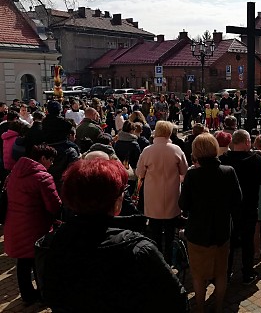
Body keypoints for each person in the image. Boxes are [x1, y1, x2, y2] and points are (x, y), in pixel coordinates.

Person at [35, 159, 188, 312]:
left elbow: (51, 294)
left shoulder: (51, 242)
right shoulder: (137, 249)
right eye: (122, 191)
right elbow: (176, 300)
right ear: (114, 200)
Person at [179, 133, 242, 313]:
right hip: (221, 230)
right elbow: (237, 200)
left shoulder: (192, 175)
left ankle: (199, 307)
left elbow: (183, 204)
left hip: (197, 231)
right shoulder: (228, 171)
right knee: (221, 272)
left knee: (198, 274)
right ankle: (219, 307)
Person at [4, 144, 61, 305]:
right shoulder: (42, 177)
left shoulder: (15, 172)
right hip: (36, 225)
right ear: (43, 158)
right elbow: (53, 205)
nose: (52, 164)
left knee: (23, 262)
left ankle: (27, 296)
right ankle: (44, 295)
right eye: (51, 160)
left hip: (15, 223)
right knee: (39, 263)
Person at [135, 121, 188, 263]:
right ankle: (169, 259)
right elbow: (184, 170)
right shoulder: (176, 149)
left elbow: (139, 172)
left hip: (153, 195)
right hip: (171, 194)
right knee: (170, 233)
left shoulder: (147, 150)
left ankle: (158, 260)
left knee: (155, 232)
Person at [219, 130, 261, 284]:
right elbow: (260, 180)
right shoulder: (256, 160)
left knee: (230, 242)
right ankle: (247, 273)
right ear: (247, 141)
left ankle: (226, 273)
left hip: (229, 208)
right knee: (248, 241)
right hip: (249, 206)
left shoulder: (223, 159)